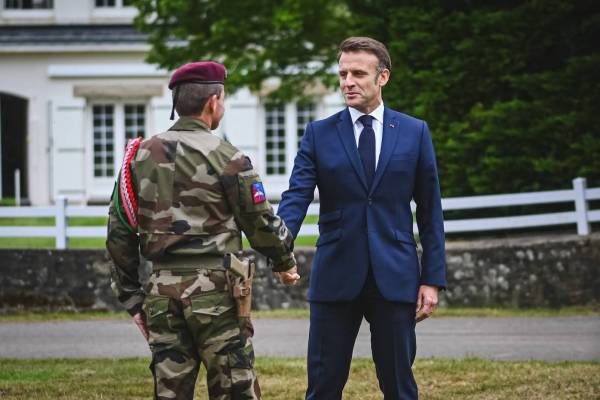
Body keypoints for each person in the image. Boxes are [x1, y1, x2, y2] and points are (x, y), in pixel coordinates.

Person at [106, 61, 300, 400]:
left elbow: (119, 233)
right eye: (223, 99)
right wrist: (284, 262)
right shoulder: (228, 157)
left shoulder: (137, 157)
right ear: (213, 102)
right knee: (233, 386)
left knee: (170, 391)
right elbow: (260, 223)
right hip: (217, 291)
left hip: (161, 292)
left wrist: (134, 300)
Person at [277, 37, 447, 399]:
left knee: (400, 386)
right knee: (323, 386)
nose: (347, 82)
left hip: (396, 275)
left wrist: (431, 279)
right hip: (335, 274)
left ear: (382, 77)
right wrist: (279, 246)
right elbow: (296, 197)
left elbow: (431, 212)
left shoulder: (415, 132)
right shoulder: (318, 134)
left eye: (357, 73)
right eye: (342, 74)